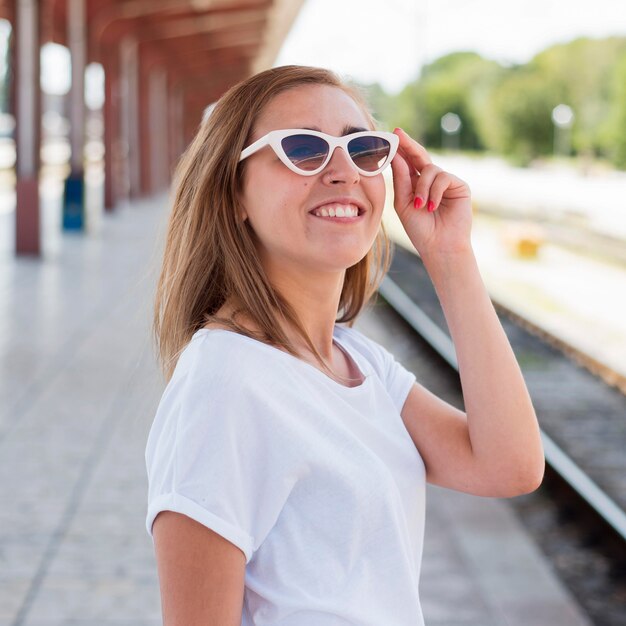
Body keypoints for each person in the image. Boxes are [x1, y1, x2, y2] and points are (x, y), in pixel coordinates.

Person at [145, 65, 545, 625]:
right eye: (303, 149)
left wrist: (450, 257)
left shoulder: (356, 362)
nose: (343, 171)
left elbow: (510, 465)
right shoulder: (223, 382)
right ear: (233, 192)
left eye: (364, 148)